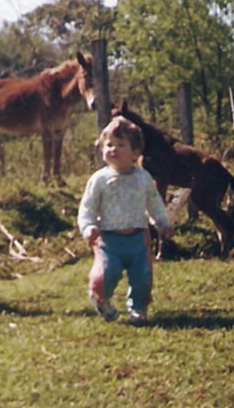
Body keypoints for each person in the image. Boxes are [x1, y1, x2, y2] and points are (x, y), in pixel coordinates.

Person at [78, 115, 175, 326]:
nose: (113, 149)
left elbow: (154, 203)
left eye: (121, 145)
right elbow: (87, 207)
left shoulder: (143, 178)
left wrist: (162, 223)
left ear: (135, 152)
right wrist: (88, 227)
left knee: (142, 276)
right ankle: (101, 299)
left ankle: (138, 308)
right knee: (106, 273)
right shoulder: (99, 180)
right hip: (108, 240)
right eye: (109, 145)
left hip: (138, 238)